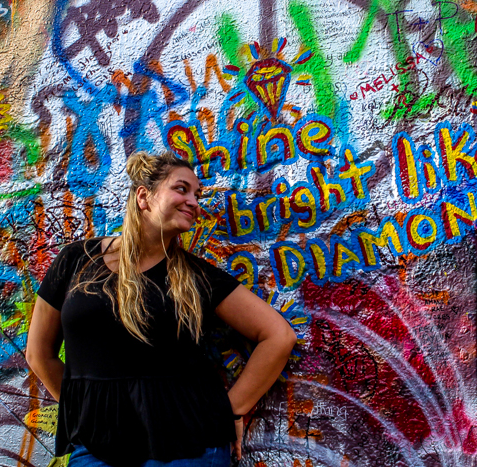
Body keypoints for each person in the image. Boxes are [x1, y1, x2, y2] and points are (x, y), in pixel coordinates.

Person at [26, 152, 297, 467]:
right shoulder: (75, 260)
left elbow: (278, 336)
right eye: (182, 189)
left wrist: (232, 409)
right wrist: (86, 411)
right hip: (98, 450)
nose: (194, 201)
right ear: (144, 196)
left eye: (197, 194)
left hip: (191, 448)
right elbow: (39, 352)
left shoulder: (197, 276)